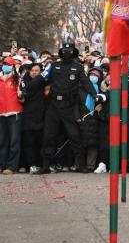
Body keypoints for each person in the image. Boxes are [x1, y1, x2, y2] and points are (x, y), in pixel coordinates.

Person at [39, 43, 96, 174]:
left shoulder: (78, 67)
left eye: (70, 51)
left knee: (74, 135)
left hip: (69, 106)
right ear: (61, 52)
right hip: (53, 105)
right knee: (48, 136)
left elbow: (86, 82)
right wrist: (27, 89)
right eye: (65, 51)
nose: (67, 53)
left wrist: (94, 95)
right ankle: (45, 165)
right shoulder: (54, 66)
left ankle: (81, 165)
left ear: (74, 52)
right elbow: (41, 80)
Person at [19, 62, 47, 173]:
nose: (34, 73)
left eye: (37, 71)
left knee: (40, 142)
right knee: (28, 142)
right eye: (32, 71)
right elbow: (23, 95)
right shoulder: (24, 82)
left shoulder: (44, 82)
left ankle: (41, 164)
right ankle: (31, 164)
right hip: (28, 116)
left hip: (41, 116)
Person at [0, 59, 22, 175]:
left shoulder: (17, 79)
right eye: (4, 64)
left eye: (8, 64)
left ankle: (12, 166)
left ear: (13, 66)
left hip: (15, 113)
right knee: (2, 140)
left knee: (14, 140)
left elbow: (22, 96)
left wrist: (21, 95)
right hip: (1, 113)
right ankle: (1, 165)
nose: (5, 66)